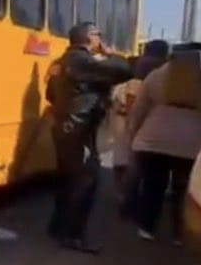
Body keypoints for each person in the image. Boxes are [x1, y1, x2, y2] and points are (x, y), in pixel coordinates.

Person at [45, 21, 134, 253]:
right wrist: (110, 54)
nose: (100, 39)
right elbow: (124, 70)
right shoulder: (84, 61)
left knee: (66, 179)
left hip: (64, 127)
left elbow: (50, 94)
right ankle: (73, 236)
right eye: (97, 34)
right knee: (86, 181)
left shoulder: (60, 62)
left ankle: (57, 227)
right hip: (80, 129)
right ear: (87, 37)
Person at [126, 41, 201, 245]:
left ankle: (146, 227)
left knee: (153, 185)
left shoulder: (157, 75)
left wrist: (133, 133)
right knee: (182, 190)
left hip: (152, 140)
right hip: (191, 145)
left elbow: (139, 108)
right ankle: (179, 233)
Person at [114, 39, 171, 218]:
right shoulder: (165, 69)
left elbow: (131, 97)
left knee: (128, 163)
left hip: (130, 119)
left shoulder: (138, 65)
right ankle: (132, 203)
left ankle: (125, 200)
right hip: (149, 122)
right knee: (142, 168)